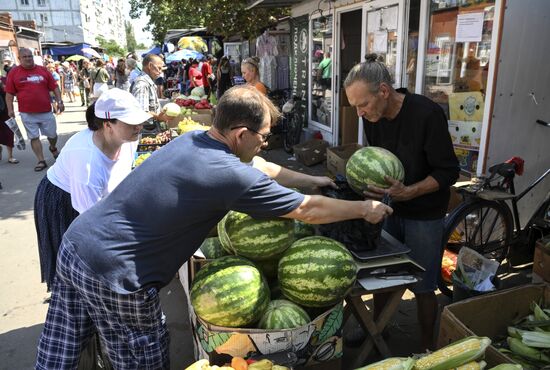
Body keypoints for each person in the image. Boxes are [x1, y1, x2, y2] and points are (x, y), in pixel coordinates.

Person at [36, 85, 392, 369]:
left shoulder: (194, 141)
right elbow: (308, 212)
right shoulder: (227, 174)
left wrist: (315, 181)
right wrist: (363, 208)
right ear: (240, 134)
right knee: (141, 354)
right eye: (263, 136)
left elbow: (265, 168)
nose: (265, 143)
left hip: (77, 244)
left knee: (63, 343)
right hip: (119, 274)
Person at [344, 53, 460, 351]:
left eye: (363, 104)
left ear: (383, 91)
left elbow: (448, 171)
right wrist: (370, 190)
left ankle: (425, 348)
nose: (359, 113)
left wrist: (412, 191)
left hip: (425, 212)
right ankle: (378, 332)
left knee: (422, 285)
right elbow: (377, 160)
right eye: (354, 106)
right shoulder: (373, 118)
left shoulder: (426, 114)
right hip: (390, 206)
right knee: (381, 275)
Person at [34, 88, 149, 293]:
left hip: (92, 198)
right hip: (63, 199)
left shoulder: (129, 139)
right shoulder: (87, 163)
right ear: (107, 125)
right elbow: (92, 223)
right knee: (76, 259)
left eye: (139, 121)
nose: (139, 126)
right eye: (131, 122)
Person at [5, 48, 64, 172]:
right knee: (34, 137)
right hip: (27, 113)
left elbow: (55, 87)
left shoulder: (42, 70)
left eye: (30, 56)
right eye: (25, 57)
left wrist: (59, 101)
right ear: (19, 59)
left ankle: (53, 147)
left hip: (46, 111)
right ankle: (41, 160)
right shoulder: (14, 73)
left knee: (52, 135)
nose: (28, 59)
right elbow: (9, 93)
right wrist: (10, 109)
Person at [131, 53, 168, 123]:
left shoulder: (147, 82)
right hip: (146, 131)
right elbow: (141, 112)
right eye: (159, 68)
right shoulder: (142, 84)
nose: (160, 72)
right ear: (150, 66)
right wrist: (158, 117)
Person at [0, 76, 18, 164]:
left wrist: (12, 111)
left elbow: (10, 96)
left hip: (5, 113)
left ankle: (10, 156)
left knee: (9, 134)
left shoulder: (4, 79)